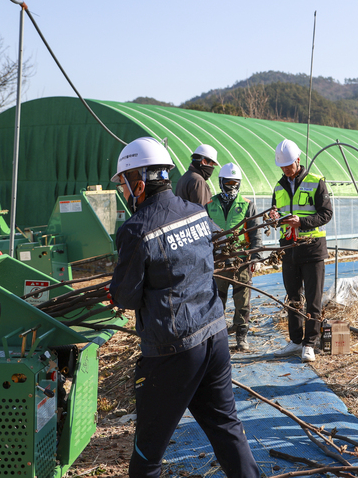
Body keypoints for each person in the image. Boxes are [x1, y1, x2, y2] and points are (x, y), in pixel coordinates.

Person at [108, 137, 259, 478]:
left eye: (124, 183)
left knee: (147, 454)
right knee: (227, 429)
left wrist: (116, 290)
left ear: (140, 182)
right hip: (215, 336)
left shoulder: (137, 229)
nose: (124, 191)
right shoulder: (196, 214)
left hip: (172, 351)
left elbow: (128, 297)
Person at [269, 138, 333, 363]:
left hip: (312, 248)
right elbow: (274, 213)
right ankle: (296, 341)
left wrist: (302, 222)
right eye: (282, 167)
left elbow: (326, 214)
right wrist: (273, 218)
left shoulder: (316, 182)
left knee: (313, 299)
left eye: (289, 166)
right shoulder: (278, 186)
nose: (286, 170)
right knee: (293, 297)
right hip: (288, 249)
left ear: (298, 160)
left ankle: (310, 344)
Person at [206, 162, 263, 351]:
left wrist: (255, 258)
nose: (232, 186)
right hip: (218, 263)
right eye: (228, 182)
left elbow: (256, 235)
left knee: (242, 301)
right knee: (216, 302)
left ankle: (241, 336)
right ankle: (219, 336)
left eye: (235, 182)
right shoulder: (209, 205)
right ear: (221, 182)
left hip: (241, 262)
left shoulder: (247, 205)